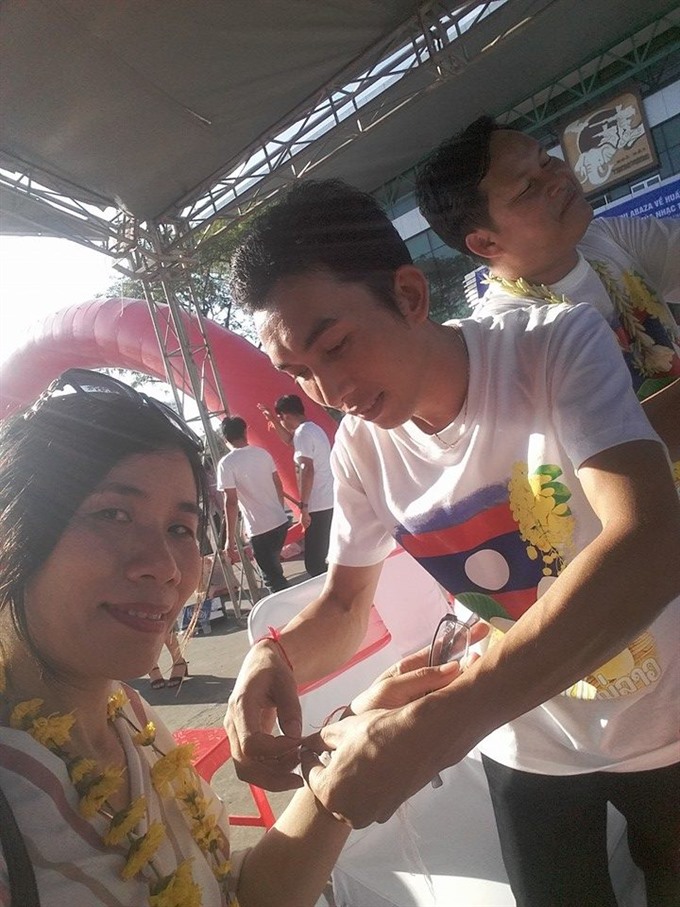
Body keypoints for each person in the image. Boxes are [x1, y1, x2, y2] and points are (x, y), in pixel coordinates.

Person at [225, 179, 680, 907]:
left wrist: (440, 723)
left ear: (409, 293)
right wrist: (267, 657)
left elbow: (650, 538)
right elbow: (345, 604)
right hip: (529, 748)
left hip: (663, 722)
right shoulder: (361, 450)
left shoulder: (550, 346)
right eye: (301, 373)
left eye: (336, 345)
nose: (330, 388)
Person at [0, 367, 463, 907]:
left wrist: (335, 783)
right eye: (113, 514)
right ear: (14, 533)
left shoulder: (126, 715)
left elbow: (225, 891)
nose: (165, 567)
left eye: (180, 528)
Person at [415, 114, 680, 401]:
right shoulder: (510, 340)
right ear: (486, 242)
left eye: (546, 160)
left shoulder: (606, 238)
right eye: (527, 187)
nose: (558, 179)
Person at [259, 393, 334, 577]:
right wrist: (274, 421)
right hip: (328, 498)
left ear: (285, 415)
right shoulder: (312, 430)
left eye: (280, 418)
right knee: (326, 555)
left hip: (318, 503)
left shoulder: (303, 433)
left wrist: (304, 506)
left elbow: (306, 468)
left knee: (315, 564)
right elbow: (290, 442)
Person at [217, 415, 290, 594]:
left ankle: (288, 613)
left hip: (259, 528)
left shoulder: (226, 464)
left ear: (225, 438)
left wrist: (229, 541)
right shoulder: (262, 453)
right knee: (275, 571)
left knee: (272, 579)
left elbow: (231, 502)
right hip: (279, 520)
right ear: (245, 432)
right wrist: (279, 508)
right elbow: (277, 482)